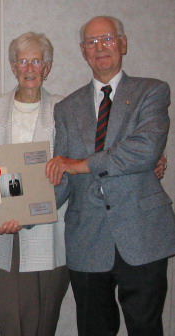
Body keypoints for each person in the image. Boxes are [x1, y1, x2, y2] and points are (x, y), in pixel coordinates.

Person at [46, 16, 175, 336]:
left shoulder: (152, 91)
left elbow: (144, 151)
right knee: (93, 329)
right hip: (87, 239)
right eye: (91, 42)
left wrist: (80, 164)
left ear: (123, 43)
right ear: (82, 51)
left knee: (146, 327)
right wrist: (21, 212)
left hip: (142, 235)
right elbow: (61, 175)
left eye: (107, 39)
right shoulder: (66, 108)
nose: (99, 47)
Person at [0, 32, 70, 336]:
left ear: (48, 67)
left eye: (37, 61)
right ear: (13, 67)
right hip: (3, 227)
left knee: (44, 315)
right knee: (9, 313)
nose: (29, 68)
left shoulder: (65, 108)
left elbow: (76, 165)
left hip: (50, 227)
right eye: (23, 61)